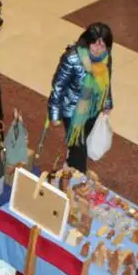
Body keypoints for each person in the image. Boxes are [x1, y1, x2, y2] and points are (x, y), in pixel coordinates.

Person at [48, 22, 114, 173]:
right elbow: (58, 86)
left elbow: (107, 82)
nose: (98, 50)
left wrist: (107, 103)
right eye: (95, 45)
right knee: (80, 150)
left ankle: (70, 164)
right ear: (87, 41)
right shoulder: (72, 58)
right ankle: (79, 179)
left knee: (81, 142)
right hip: (72, 112)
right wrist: (55, 114)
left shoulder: (106, 58)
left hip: (93, 109)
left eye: (102, 46)